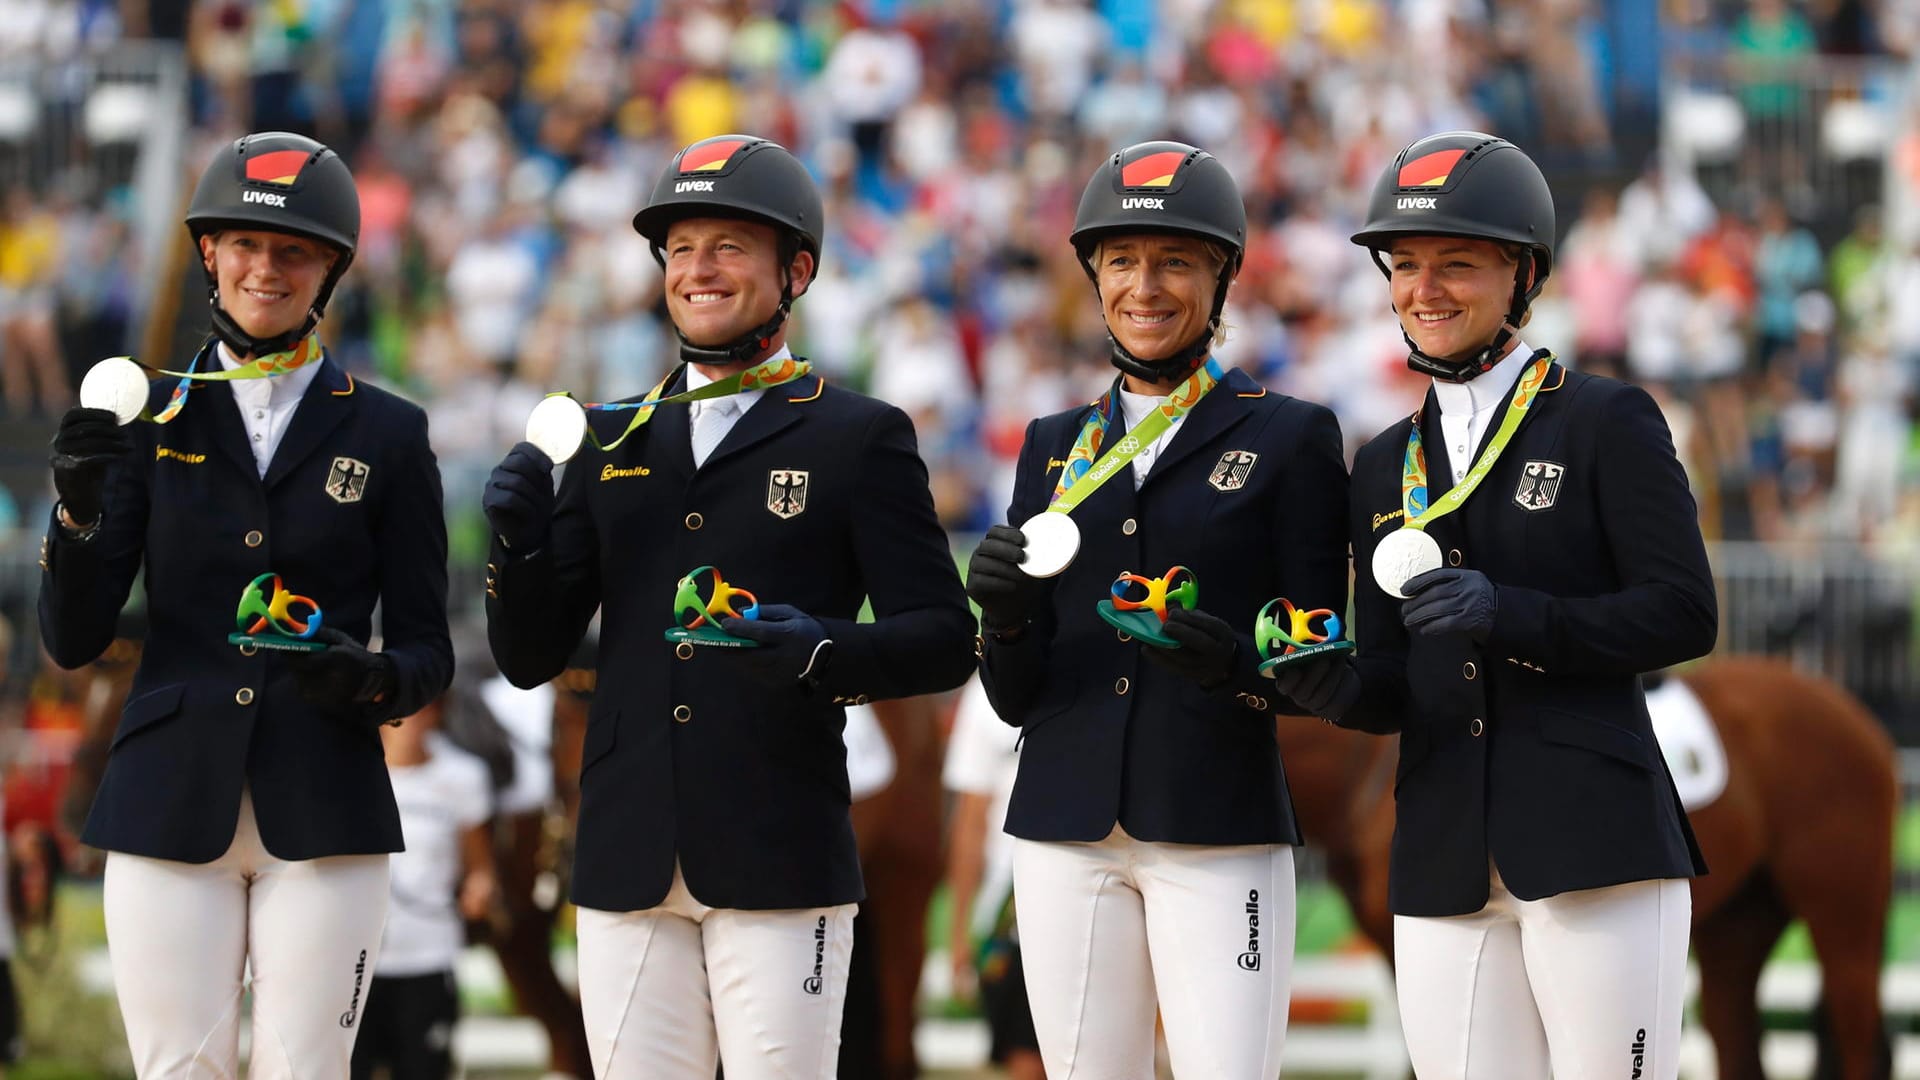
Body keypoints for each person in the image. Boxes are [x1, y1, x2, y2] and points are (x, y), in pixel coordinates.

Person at [481, 133, 975, 1079]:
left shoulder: (860, 434)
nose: (697, 270)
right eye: (680, 249)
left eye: (727, 247)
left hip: (781, 845)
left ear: (795, 270)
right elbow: (531, 654)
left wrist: (823, 650)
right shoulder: (603, 434)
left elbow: (944, 641)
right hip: (627, 853)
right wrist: (517, 549)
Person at [1270, 130, 1716, 1080]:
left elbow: (1684, 615)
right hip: (1441, 854)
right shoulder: (1384, 461)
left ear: (1521, 275)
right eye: (1407, 266)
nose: (1424, 289)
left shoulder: (1605, 419)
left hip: (1593, 839)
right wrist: (1327, 687)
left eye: (1457, 264)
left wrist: (1511, 612)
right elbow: (1393, 680)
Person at [37, 130, 453, 1076]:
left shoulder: (390, 431)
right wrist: (76, 513)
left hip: (328, 797)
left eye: (293, 251)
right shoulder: (146, 413)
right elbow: (73, 638)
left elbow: (429, 646)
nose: (266, 268)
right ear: (211, 255)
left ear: (330, 269)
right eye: (246, 246)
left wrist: (376, 679)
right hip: (167, 794)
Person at [965, 140, 1349, 1078]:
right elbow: (1016, 698)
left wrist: (1234, 667)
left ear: (1220, 277)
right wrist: (1004, 618)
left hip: (1217, 821)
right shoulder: (1054, 444)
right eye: (1123, 262)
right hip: (1062, 829)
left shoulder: (1289, 434)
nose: (1146, 286)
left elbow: (1320, 679)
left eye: (1175, 260)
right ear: (1094, 277)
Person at [352, 688, 498, 1080]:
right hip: (356, 957)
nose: (411, 720)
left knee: (424, 1068)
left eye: (422, 708)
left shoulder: (461, 776)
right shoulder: (349, 772)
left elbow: (480, 864)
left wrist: (480, 889)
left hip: (428, 952)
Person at [941, 676, 1042, 1080]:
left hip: (1104, 891)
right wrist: (959, 932)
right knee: (1027, 1061)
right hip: (1011, 911)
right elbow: (969, 822)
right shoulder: (986, 690)